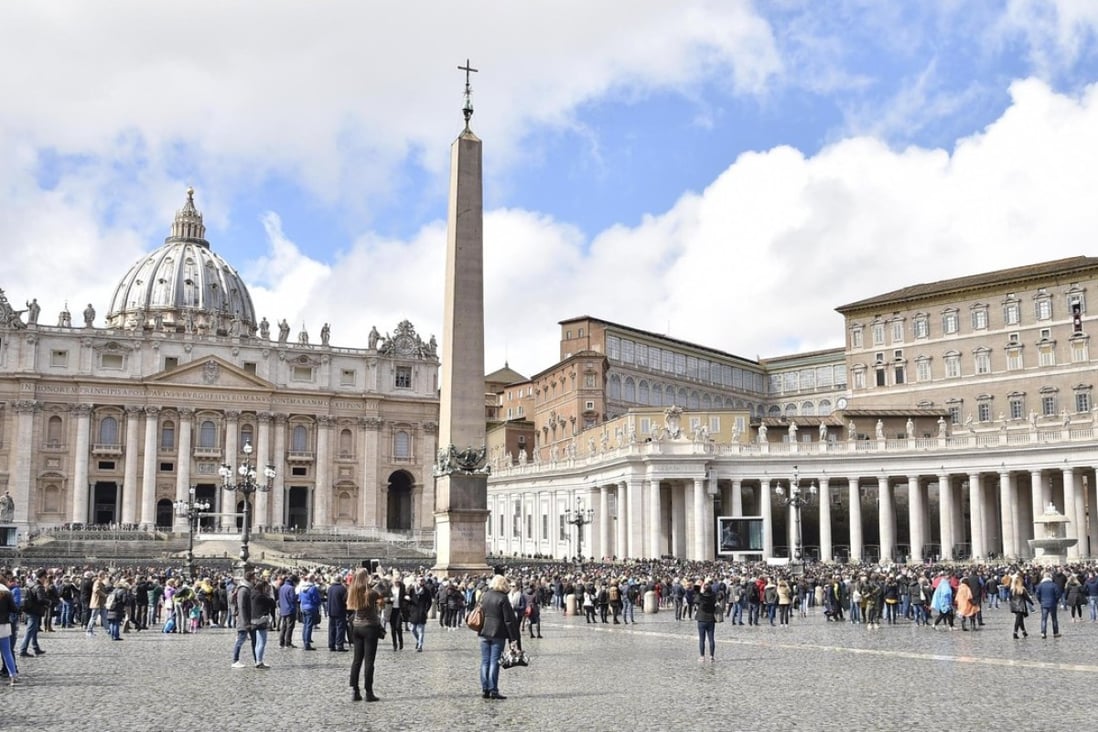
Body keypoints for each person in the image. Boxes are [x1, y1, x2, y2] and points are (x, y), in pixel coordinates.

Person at [477, 574, 521, 700]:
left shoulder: (484, 595)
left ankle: (485, 688)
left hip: (483, 632)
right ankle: (493, 690)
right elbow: (508, 620)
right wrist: (513, 638)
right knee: (494, 662)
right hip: (498, 633)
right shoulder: (503, 598)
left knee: (485, 661)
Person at [347, 569, 384, 702]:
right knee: (369, 662)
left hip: (357, 627)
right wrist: (377, 582)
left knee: (357, 661)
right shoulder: (371, 593)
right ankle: (369, 692)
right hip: (369, 627)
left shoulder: (352, 592)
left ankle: (355, 690)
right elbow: (382, 599)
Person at [231, 570, 256, 669]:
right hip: (244, 621)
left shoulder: (249, 588)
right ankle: (235, 660)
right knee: (240, 640)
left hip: (251, 619)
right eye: (254, 578)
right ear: (251, 578)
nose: (256, 580)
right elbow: (242, 607)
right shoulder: (243, 590)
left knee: (255, 640)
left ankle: (257, 660)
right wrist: (245, 622)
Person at [251, 579, 275, 669]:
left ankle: (257, 660)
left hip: (253, 619)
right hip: (261, 619)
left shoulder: (252, 594)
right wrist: (270, 594)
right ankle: (259, 661)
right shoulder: (261, 596)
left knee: (257, 642)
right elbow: (272, 603)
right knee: (262, 641)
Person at [0, 579, 19, 686]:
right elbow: (14, 609)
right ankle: (12, 675)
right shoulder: (6, 592)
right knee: (7, 653)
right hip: (4, 625)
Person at [407, 576, 433, 651]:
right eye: (420, 580)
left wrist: (426, 610)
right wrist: (409, 608)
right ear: (417, 581)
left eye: (422, 581)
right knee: (412, 629)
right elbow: (408, 600)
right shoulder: (411, 590)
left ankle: (420, 646)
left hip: (422, 612)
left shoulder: (426, 591)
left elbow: (429, 602)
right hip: (413, 612)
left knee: (421, 630)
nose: (421, 582)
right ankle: (418, 640)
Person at [1034, 572, 1063, 639]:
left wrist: (1040, 601)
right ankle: (1055, 633)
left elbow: (1037, 594)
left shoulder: (1040, 585)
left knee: (1044, 619)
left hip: (1044, 603)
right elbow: (1058, 594)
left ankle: (1043, 633)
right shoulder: (1054, 585)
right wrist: (1056, 601)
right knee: (1054, 619)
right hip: (1052, 603)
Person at [695, 578, 718, 662]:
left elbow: (696, 595)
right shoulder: (713, 596)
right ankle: (711, 656)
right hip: (711, 619)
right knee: (711, 639)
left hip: (701, 619)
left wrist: (700, 586)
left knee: (702, 639)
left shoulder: (701, 597)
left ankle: (702, 656)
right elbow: (720, 595)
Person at [327, 573, 348, 653]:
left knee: (331, 628)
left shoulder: (330, 588)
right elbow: (345, 600)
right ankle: (339, 645)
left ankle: (331, 645)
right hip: (340, 610)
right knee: (340, 628)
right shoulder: (342, 589)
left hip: (331, 610)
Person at [1008, 574, 1034, 639]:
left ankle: (1024, 632)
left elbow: (1010, 597)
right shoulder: (1022, 589)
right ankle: (1015, 633)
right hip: (1021, 606)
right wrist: (1032, 603)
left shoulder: (1013, 589)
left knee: (1020, 620)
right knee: (1018, 620)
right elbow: (1027, 597)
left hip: (1014, 606)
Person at [277, 574, 298, 648]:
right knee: (290, 627)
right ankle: (288, 642)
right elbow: (293, 599)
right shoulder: (291, 588)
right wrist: (297, 596)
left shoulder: (282, 587)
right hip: (290, 609)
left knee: (284, 626)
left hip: (283, 609)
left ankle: (281, 642)